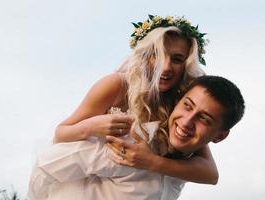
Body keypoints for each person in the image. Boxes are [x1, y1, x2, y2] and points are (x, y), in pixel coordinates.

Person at [28, 15, 219, 199]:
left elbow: (210, 173)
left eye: (177, 59)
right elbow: (61, 133)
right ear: (143, 55)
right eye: (156, 55)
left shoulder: (183, 107)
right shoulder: (116, 86)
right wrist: (91, 126)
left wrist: (152, 162)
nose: (166, 67)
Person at [29, 75, 245, 200]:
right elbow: (46, 165)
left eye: (204, 119)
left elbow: (212, 176)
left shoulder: (187, 166)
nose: (187, 121)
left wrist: (153, 163)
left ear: (220, 136)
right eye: (187, 106)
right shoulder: (129, 143)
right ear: (177, 103)